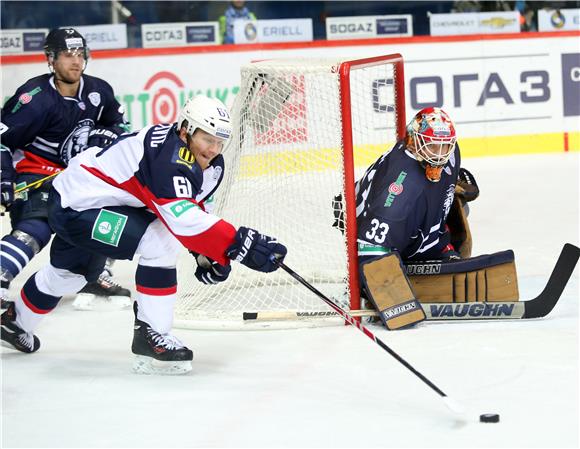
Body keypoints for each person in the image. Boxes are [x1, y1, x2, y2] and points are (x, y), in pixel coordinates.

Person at [0, 95, 287, 375]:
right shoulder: (169, 158)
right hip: (77, 205)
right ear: (186, 129)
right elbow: (181, 218)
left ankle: (16, 320)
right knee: (159, 241)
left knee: (71, 273)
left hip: (99, 201)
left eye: (218, 141)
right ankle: (152, 333)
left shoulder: (209, 164)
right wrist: (239, 245)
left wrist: (207, 253)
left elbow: (188, 208)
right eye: (206, 139)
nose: (213, 149)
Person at [0, 27, 131, 309]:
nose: (76, 61)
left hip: (79, 178)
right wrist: (3, 179)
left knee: (113, 210)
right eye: (67, 54)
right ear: (51, 59)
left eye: (80, 54)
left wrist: (109, 138)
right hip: (36, 176)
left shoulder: (99, 90)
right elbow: (1, 140)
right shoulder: (34, 98)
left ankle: (93, 273)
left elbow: (119, 128)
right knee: (38, 225)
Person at [334, 107, 481, 329]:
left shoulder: (449, 151)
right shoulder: (400, 189)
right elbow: (371, 245)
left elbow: (442, 168)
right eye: (432, 146)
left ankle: (437, 246)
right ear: (413, 141)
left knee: (460, 205)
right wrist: (392, 299)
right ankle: (359, 283)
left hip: (405, 219)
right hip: (367, 222)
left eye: (445, 145)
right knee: (386, 240)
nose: (440, 153)